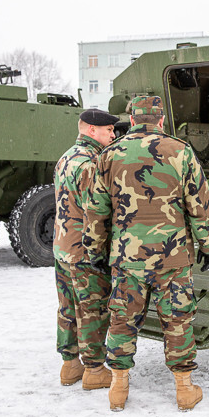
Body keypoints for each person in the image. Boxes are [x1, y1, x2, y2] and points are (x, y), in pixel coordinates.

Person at [83, 95, 209, 412]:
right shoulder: (181, 151)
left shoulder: (109, 154)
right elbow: (200, 205)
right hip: (172, 257)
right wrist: (208, 246)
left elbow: (95, 211)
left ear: (131, 120)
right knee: (178, 320)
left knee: (122, 320)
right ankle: (184, 390)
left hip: (126, 258)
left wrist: (95, 250)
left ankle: (118, 388)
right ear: (160, 120)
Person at [53, 108, 118, 390]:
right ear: (92, 130)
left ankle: (70, 366)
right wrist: (100, 251)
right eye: (109, 131)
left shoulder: (66, 157)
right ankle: (94, 370)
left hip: (63, 246)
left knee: (68, 307)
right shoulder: (91, 164)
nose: (114, 135)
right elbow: (96, 213)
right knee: (92, 308)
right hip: (84, 250)